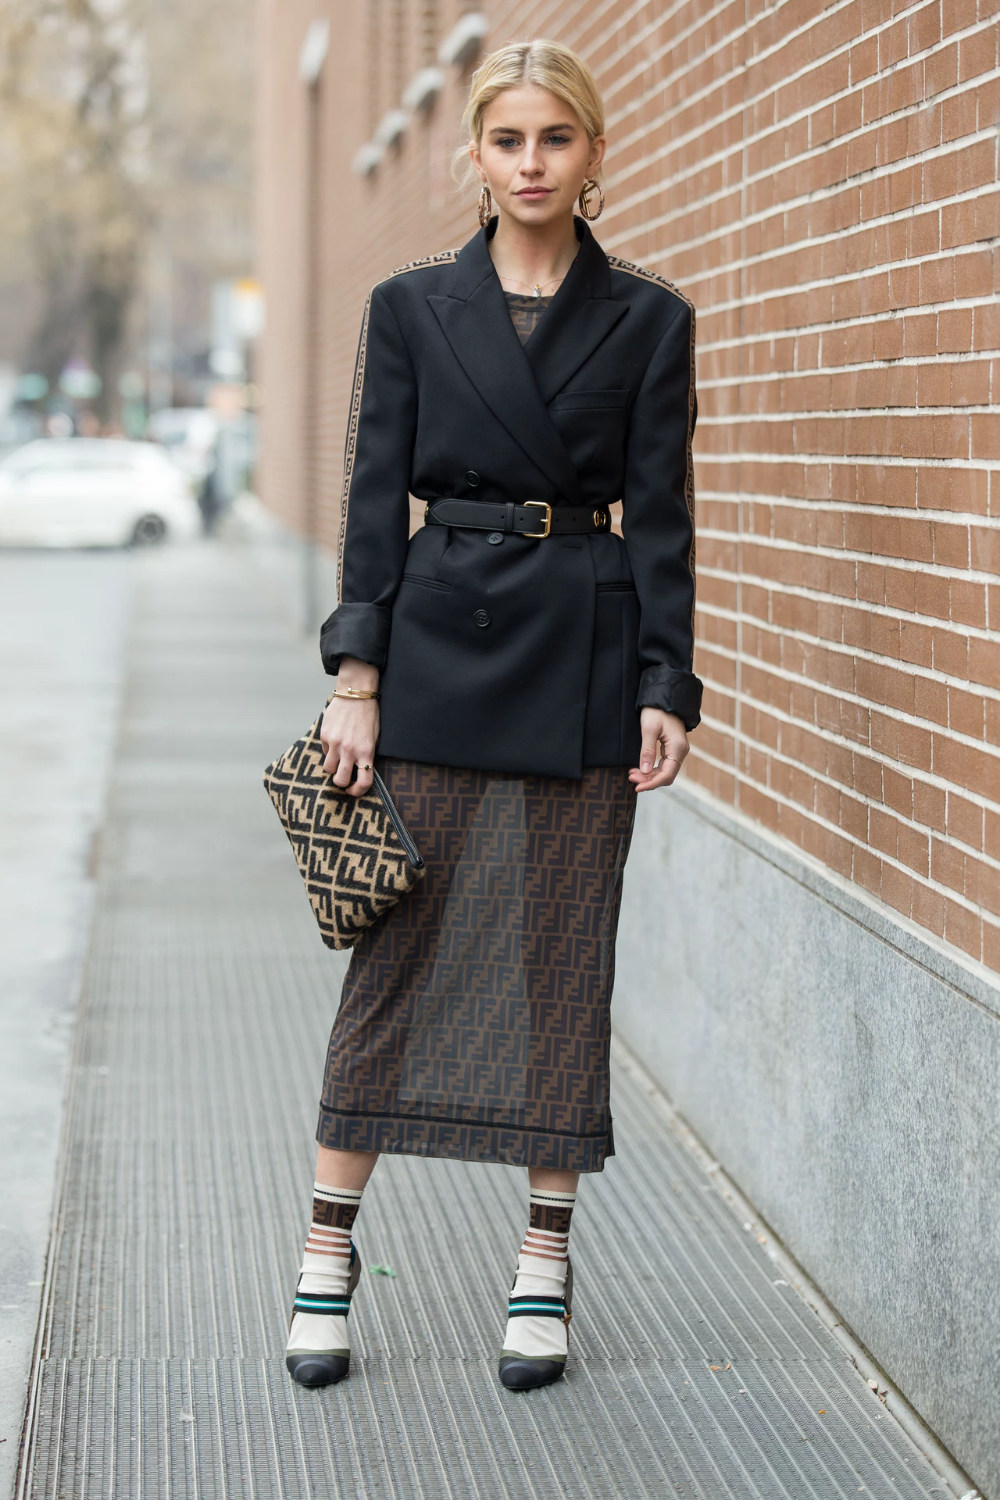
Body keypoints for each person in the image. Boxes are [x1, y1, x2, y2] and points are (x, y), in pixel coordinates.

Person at [285, 38, 702, 1394]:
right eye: (509, 140)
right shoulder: (410, 307)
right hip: (434, 656)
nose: (532, 164)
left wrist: (666, 686)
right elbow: (371, 504)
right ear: (474, 153)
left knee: (561, 958)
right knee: (393, 954)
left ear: (594, 152)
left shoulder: (650, 320)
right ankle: (328, 1252)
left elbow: (664, 524)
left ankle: (543, 1264)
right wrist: (356, 681)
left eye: (556, 139)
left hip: (581, 659)